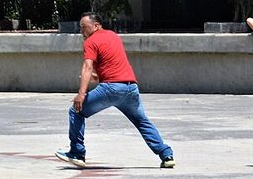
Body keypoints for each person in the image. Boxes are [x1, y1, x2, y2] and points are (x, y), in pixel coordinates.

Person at [55, 12, 175, 169]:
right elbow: (110, 66)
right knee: (142, 121)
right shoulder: (113, 36)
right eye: (80, 27)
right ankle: (166, 155)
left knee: (76, 111)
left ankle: (77, 153)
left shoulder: (91, 41)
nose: (81, 30)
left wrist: (81, 94)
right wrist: (96, 77)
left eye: (84, 27)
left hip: (111, 88)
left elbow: (87, 66)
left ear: (96, 26)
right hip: (130, 87)